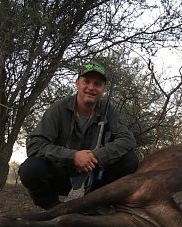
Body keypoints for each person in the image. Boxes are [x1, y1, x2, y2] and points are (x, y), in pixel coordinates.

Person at [19, 61, 139, 209]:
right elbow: (35, 145)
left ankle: (98, 202)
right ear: (77, 83)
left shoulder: (109, 110)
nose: (91, 88)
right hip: (62, 173)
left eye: (97, 84)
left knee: (130, 160)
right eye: (86, 82)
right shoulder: (58, 108)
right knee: (31, 169)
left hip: (95, 174)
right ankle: (54, 208)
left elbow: (128, 140)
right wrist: (73, 157)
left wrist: (95, 156)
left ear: (103, 89)